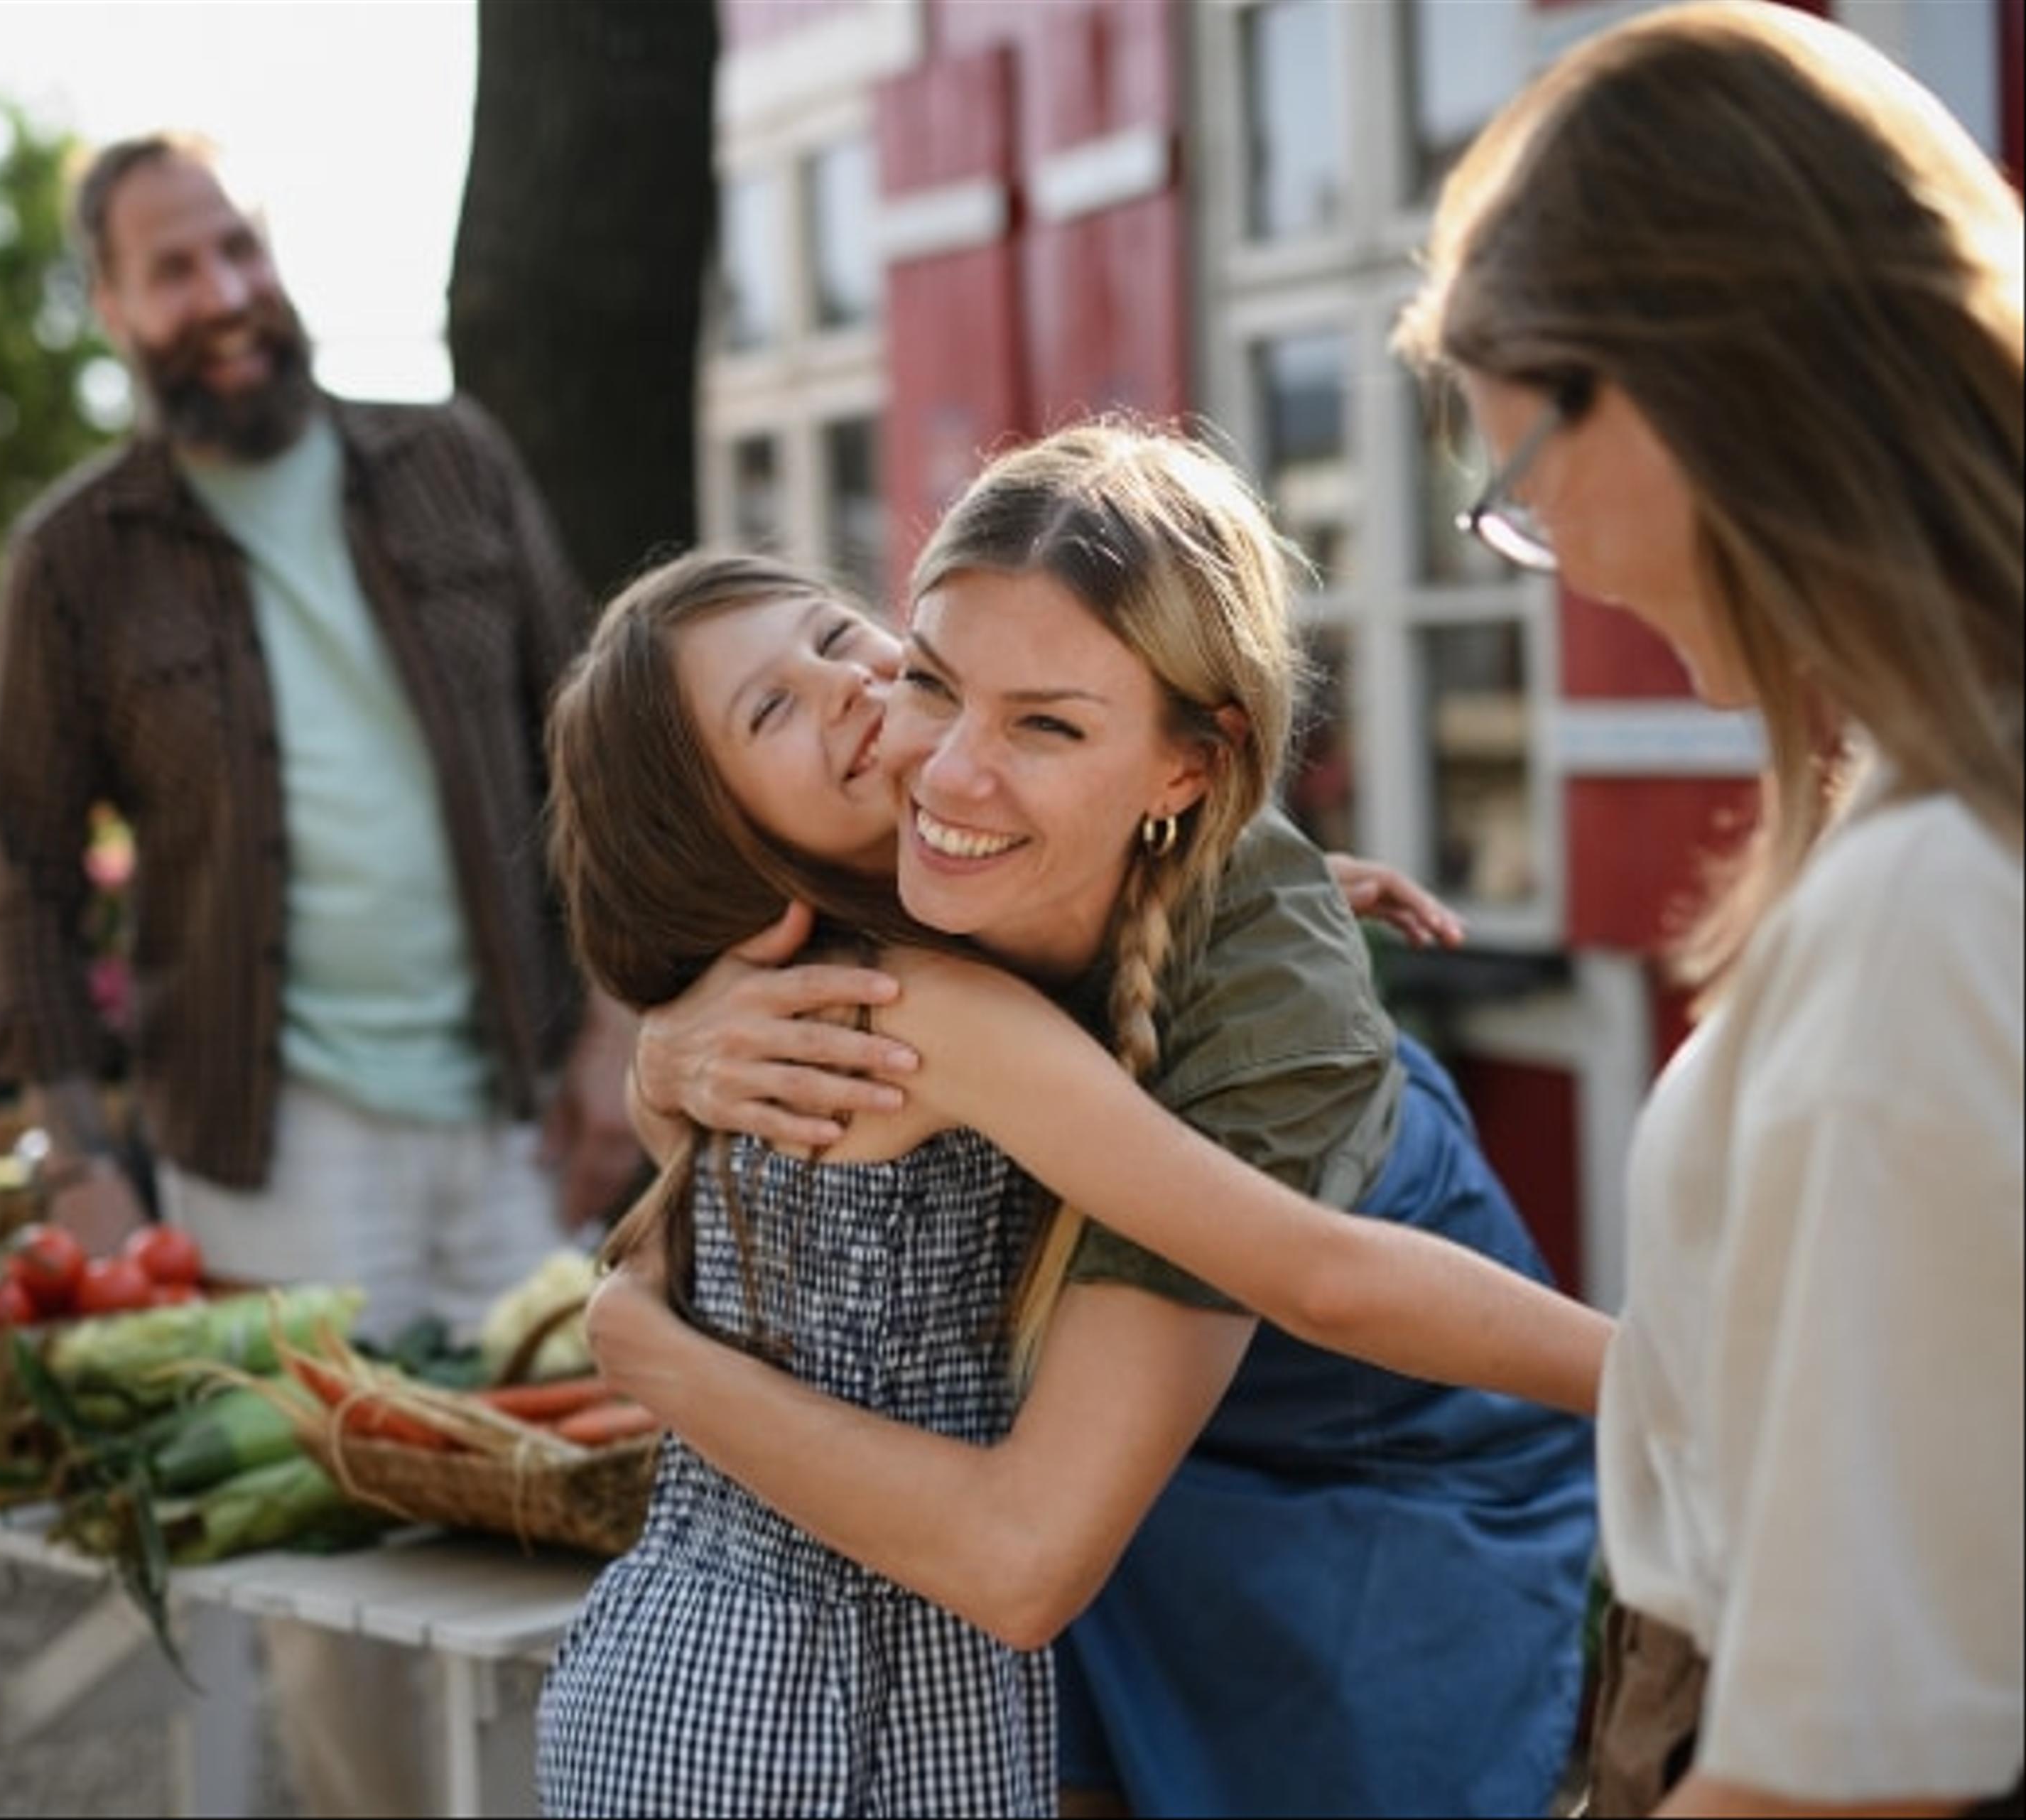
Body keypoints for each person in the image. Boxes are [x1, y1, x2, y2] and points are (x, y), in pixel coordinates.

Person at [573, 423, 1598, 1816]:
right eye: (935, 675)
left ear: (1185, 769)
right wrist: (671, 1054)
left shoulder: (1235, 987)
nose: (889, 715)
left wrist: (1702, 1389)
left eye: (839, 639)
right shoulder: (875, 902)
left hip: (1355, 1471)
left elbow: (1316, 1284)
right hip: (1093, 1474)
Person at [1392, 5, 2022, 1813]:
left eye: (1522, 477)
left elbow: (1852, 1766)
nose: (1554, 553)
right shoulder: (1940, 806)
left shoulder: (1925, 900)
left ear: (1677, 385)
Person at [0, 127, 638, 1815]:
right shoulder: (76, 560)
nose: (228, 299)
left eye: (242, 253)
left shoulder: (450, 461)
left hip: (516, 1113)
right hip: (272, 1149)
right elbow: (32, 886)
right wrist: (80, 1158)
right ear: (114, 308)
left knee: (586, 1540)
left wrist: (622, 1026)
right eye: (177, 271)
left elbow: (602, 751)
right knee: (339, 1598)